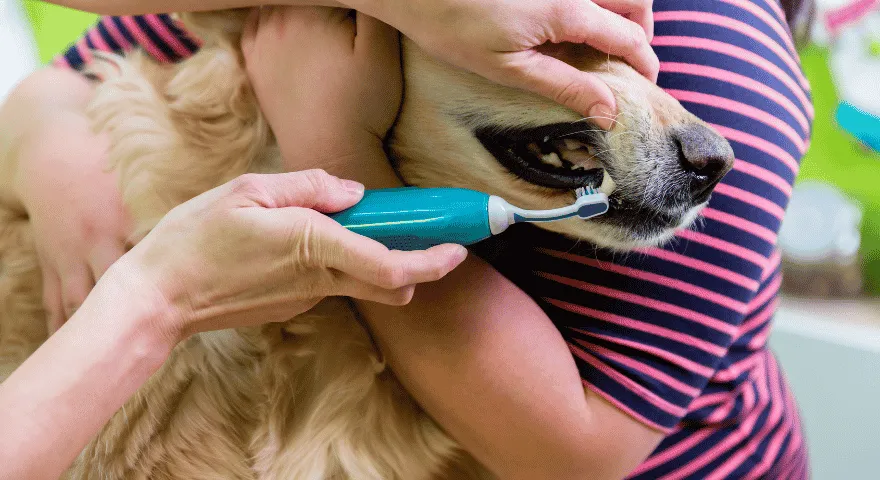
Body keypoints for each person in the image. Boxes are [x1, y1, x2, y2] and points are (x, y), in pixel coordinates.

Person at [0, 1, 813, 479]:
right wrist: (51, 149)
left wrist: (331, 138)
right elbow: (69, 77)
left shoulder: (725, 61)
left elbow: (574, 451)